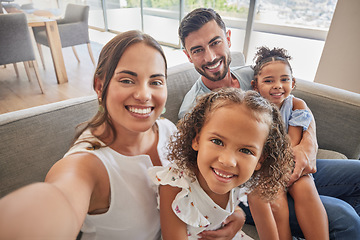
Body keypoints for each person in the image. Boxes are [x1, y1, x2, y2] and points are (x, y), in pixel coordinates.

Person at [0, 30, 243, 240]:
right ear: (99, 86)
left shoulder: (168, 130)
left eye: (156, 82)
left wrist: (231, 212)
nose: (144, 95)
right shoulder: (86, 164)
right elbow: (58, 199)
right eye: (127, 80)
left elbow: (197, 188)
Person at [178, 7, 360, 239]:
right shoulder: (194, 107)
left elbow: (295, 103)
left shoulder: (250, 76)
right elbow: (206, 172)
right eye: (198, 50)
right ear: (187, 55)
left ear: (228, 38)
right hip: (253, 184)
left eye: (215, 43)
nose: (211, 57)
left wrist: (308, 145)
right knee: (345, 218)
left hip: (289, 162)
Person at [149, 88, 294, 240]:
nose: (228, 161)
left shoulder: (250, 182)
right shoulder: (175, 185)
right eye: (217, 142)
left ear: (260, 160)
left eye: (245, 150)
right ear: (197, 140)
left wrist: (238, 214)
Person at [250, 46, 328, 240]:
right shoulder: (252, 107)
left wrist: (286, 169)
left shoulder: (296, 105)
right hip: (264, 166)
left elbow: (293, 141)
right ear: (255, 85)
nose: (277, 85)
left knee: (305, 186)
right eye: (269, 81)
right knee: (275, 198)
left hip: (288, 160)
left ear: (292, 82)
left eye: (284, 79)